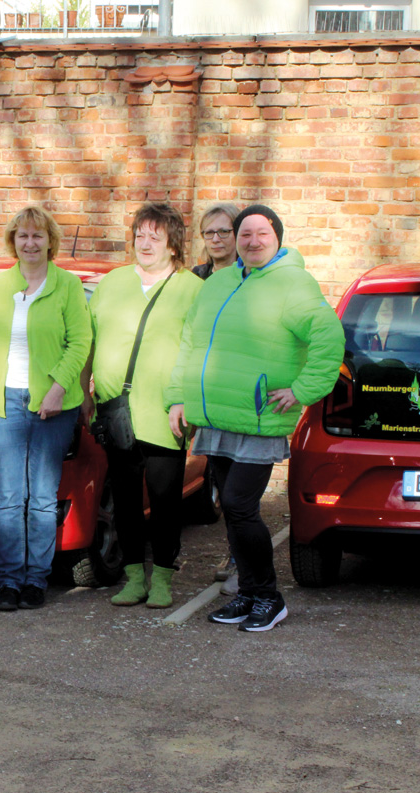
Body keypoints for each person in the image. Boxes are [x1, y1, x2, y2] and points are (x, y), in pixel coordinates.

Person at [167, 204, 343, 632]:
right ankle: (247, 593)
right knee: (235, 512)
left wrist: (302, 390)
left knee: (239, 506)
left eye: (261, 233)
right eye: (244, 234)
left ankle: (268, 596)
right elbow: (191, 340)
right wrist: (178, 397)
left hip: (260, 417)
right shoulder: (219, 282)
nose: (252, 241)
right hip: (217, 416)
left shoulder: (293, 283)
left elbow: (328, 336)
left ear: (277, 237)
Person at [0, 205, 93, 612]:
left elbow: (80, 342)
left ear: (50, 240)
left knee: (41, 496)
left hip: (52, 406)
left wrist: (58, 388)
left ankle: (36, 581)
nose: (30, 242)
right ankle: (8, 582)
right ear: (13, 241)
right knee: (8, 496)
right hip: (5, 402)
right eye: (23, 235)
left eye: (38, 235)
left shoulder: (68, 286)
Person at [90, 203, 203, 610]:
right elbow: (89, 337)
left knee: (166, 499)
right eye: (140, 235)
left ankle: (164, 579)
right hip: (116, 410)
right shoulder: (112, 282)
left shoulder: (192, 288)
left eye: (156, 236)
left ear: (173, 244)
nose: (146, 243)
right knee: (124, 499)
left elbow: (200, 351)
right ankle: (134, 577)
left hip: (166, 411)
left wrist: (188, 400)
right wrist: (87, 392)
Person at [192, 202, 242, 591]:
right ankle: (236, 549)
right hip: (204, 393)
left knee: (239, 485)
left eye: (224, 231)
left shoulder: (251, 275)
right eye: (210, 232)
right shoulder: (196, 279)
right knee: (220, 475)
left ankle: (241, 556)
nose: (217, 239)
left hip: (240, 392)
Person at [192, 203, 240, 280]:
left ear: (237, 233)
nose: (215, 240)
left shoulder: (248, 276)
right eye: (209, 233)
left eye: (224, 231)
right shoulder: (197, 276)